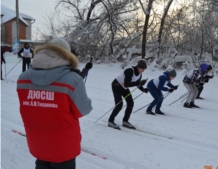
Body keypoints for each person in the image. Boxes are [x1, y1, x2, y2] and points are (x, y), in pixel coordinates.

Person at [16, 37, 92, 169]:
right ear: (67, 54)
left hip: (38, 142)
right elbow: (83, 110)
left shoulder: (23, 78)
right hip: (63, 145)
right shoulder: (72, 79)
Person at [108, 59, 148, 130]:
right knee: (119, 105)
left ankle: (125, 121)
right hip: (116, 86)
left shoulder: (139, 75)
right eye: (142, 68)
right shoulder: (130, 71)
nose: (143, 70)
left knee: (130, 103)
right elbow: (127, 84)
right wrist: (138, 83)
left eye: (144, 69)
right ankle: (110, 121)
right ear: (138, 67)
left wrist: (143, 89)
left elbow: (137, 83)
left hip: (124, 87)